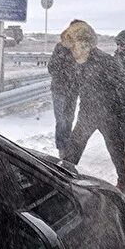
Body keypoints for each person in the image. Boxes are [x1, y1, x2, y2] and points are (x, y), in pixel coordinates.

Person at [61, 20, 125, 193]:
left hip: (109, 113)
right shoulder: (79, 61)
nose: (77, 49)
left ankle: (123, 180)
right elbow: (75, 86)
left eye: (81, 45)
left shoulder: (106, 61)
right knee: (75, 145)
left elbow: (121, 87)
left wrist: (124, 114)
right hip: (88, 112)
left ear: (89, 44)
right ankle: (63, 177)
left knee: (115, 148)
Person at [48, 22, 81, 157]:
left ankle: (67, 145)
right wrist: (65, 72)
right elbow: (51, 67)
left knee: (69, 119)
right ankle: (62, 149)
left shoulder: (81, 49)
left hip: (73, 91)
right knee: (61, 120)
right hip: (59, 90)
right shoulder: (60, 47)